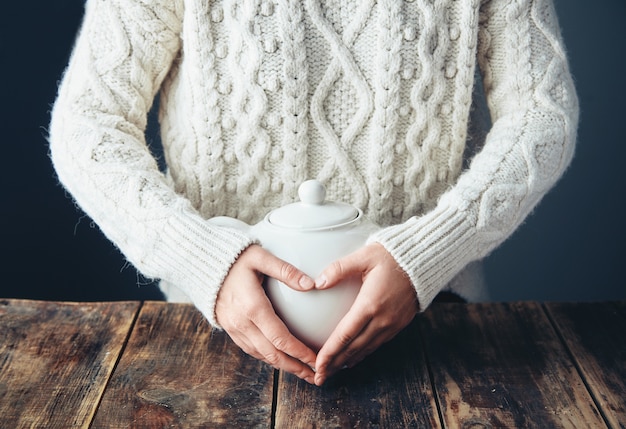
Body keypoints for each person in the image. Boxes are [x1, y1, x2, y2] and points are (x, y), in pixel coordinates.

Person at [49, 0, 578, 387]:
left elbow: (542, 115)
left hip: (430, 327)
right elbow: (88, 123)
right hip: (213, 329)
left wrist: (429, 253)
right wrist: (202, 258)